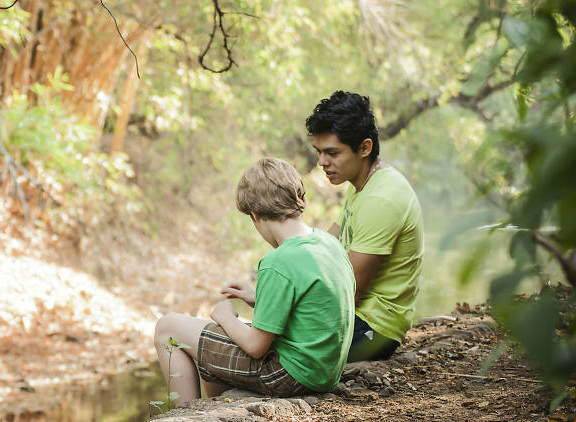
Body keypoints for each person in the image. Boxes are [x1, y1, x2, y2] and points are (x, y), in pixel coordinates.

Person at [153, 158, 355, 406]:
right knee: (210, 351)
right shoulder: (327, 243)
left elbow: (256, 346)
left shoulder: (278, 261)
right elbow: (315, 308)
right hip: (323, 373)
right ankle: (214, 408)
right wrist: (257, 299)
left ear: (255, 215)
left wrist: (225, 316)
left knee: (168, 328)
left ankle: (183, 414)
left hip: (289, 375)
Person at [305, 91, 424, 362]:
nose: (322, 162)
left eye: (332, 153)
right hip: (357, 315)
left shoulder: (382, 198)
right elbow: (327, 246)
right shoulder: (361, 185)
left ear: (365, 148)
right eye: (319, 152)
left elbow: (349, 292)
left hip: (373, 329)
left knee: (262, 346)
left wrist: (286, 310)